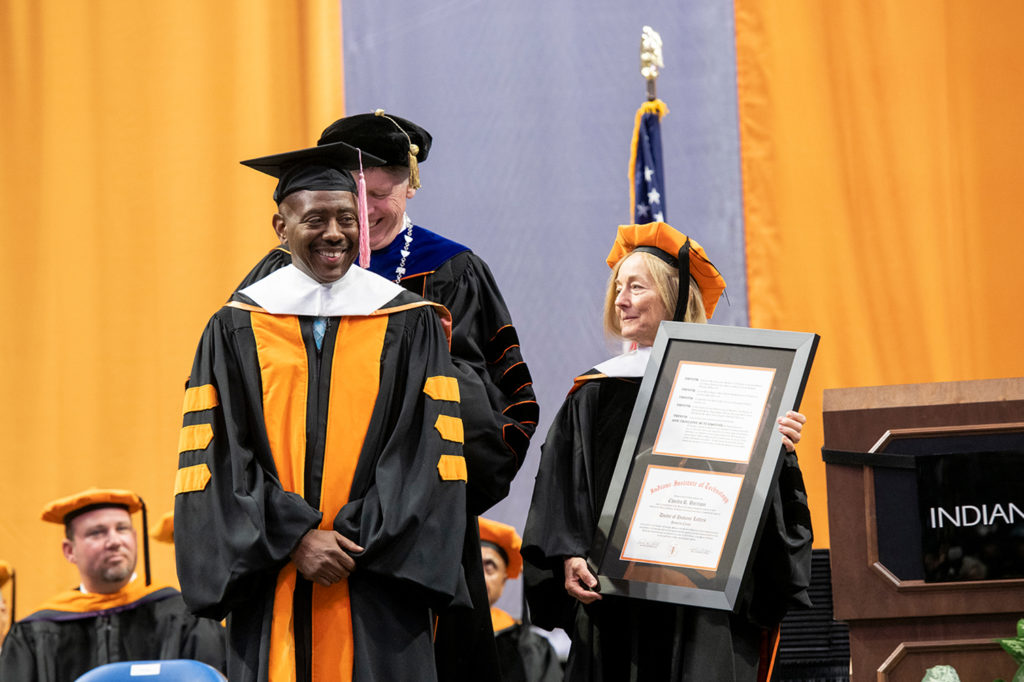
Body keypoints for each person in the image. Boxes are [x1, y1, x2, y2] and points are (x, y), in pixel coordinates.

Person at [234, 111, 539, 682]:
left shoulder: (450, 271)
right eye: (354, 194)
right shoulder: (271, 287)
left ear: (410, 186)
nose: (366, 212)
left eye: (382, 193)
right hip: (296, 541)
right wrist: (288, 525)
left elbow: (506, 410)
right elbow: (237, 417)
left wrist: (430, 366)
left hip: (415, 541)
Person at [174, 139, 469, 682]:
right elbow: (218, 456)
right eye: (315, 219)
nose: (335, 233)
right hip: (273, 579)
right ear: (280, 228)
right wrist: (295, 537)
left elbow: (426, 451)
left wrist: (355, 540)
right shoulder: (235, 326)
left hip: (380, 586)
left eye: (346, 218)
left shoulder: (409, 321)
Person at [522, 222, 813, 681]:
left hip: (704, 604)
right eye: (618, 288)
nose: (620, 300)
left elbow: (761, 509)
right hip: (616, 601)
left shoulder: (739, 386)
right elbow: (563, 481)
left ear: (675, 296)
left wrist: (776, 450)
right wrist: (568, 554)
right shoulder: (597, 389)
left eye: (636, 287)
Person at [0, 488, 226, 681]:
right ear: (69, 551)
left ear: (135, 537)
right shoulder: (37, 631)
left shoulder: (185, 617)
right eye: (97, 533)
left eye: (122, 529)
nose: (115, 541)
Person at [479, 517, 562, 682]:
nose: (479, 577)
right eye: (473, 567)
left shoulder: (531, 647)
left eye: (489, 568)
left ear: (504, 578)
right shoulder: (438, 634)